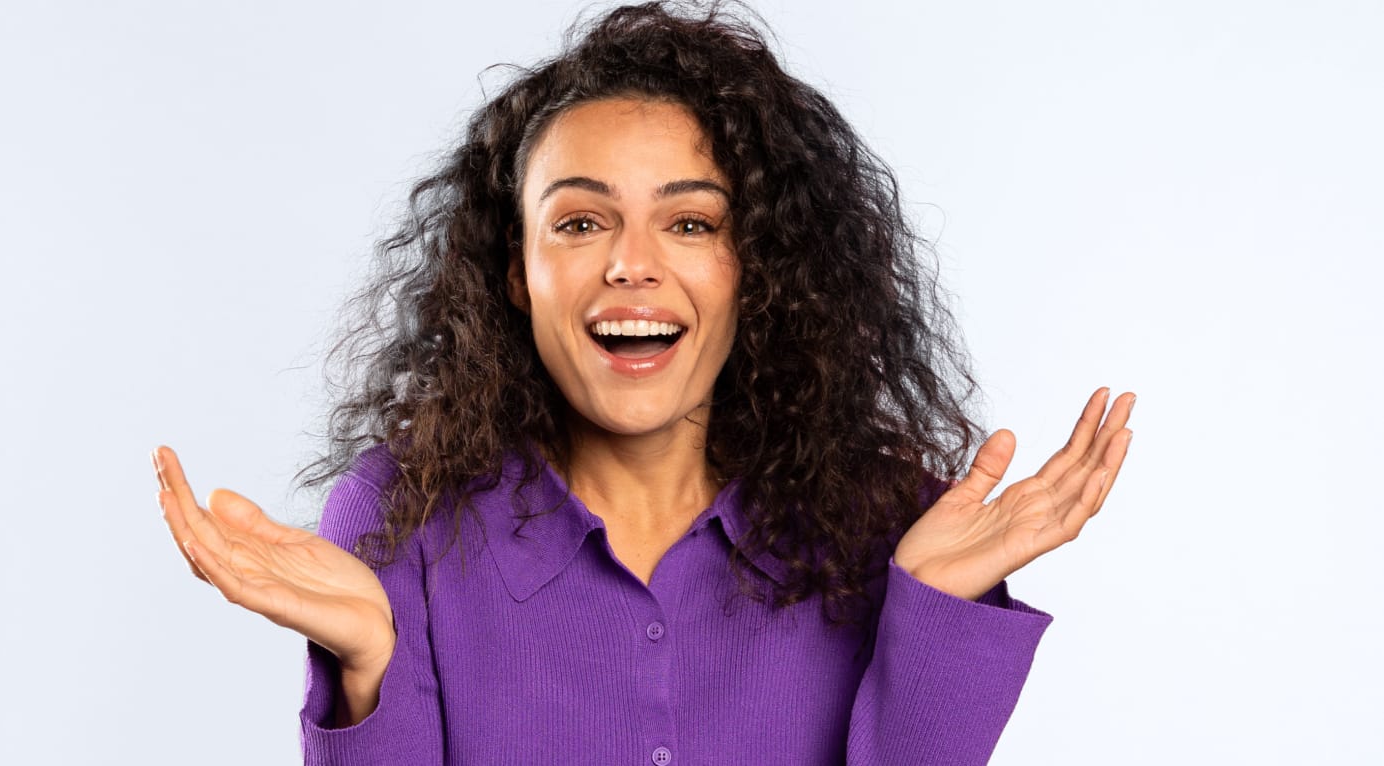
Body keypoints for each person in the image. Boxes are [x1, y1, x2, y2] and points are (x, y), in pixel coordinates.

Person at [152, 2, 1135, 763]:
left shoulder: (888, 522)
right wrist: (369, 671)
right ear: (515, 271)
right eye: (579, 223)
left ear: (756, 264)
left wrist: (936, 608)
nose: (631, 263)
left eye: (691, 222)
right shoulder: (400, 515)